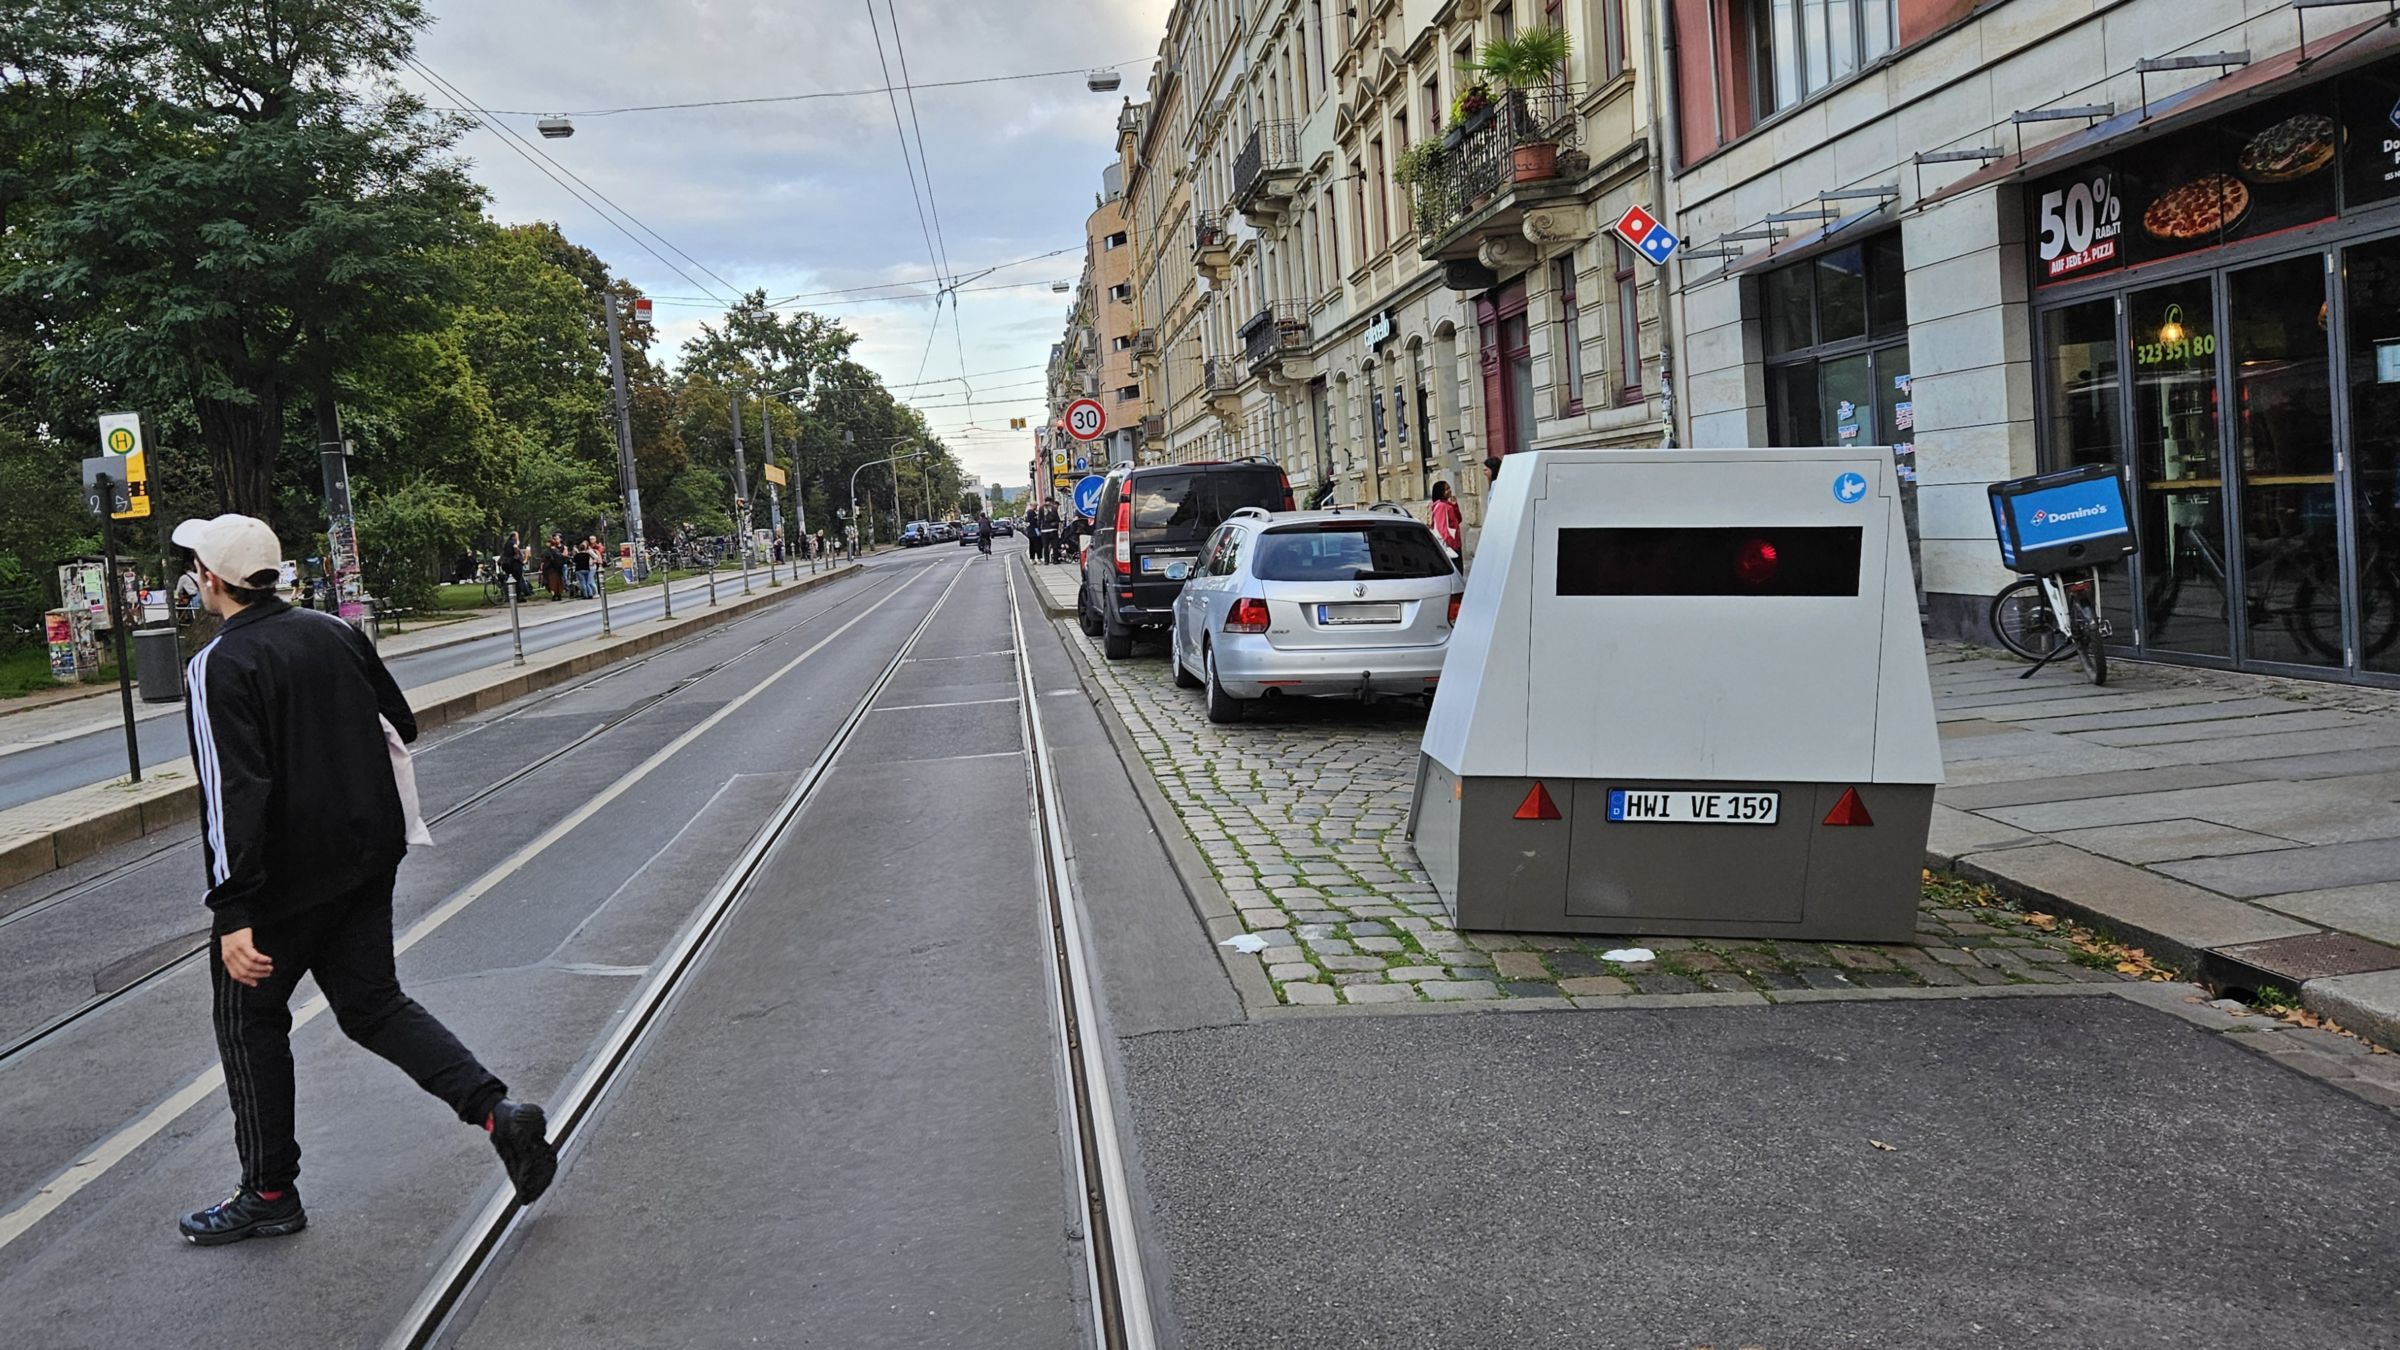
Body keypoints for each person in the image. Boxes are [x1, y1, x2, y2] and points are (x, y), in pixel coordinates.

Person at [169, 513, 556, 1247]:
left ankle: (269, 1191)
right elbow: (400, 724)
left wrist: (234, 910)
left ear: (212, 579)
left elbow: (232, 793)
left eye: (195, 566)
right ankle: (497, 1113)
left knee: (248, 1022)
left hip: (285, 880)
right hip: (366, 857)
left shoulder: (219, 664)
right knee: (372, 1004)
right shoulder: (335, 631)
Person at [1428, 480, 1462, 563]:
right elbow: (1442, 529)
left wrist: (1455, 506)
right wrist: (1452, 545)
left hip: (1455, 544)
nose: (1449, 490)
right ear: (1441, 492)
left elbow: (1459, 520)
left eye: (1449, 488)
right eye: (1446, 489)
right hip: (1451, 546)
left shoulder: (1447, 504)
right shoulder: (1441, 506)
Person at [539, 536, 566, 601]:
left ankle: (554, 595)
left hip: (550, 570)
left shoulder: (547, 552)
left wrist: (542, 568)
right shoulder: (558, 551)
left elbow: (544, 561)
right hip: (558, 570)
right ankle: (558, 594)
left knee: (551, 583)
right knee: (558, 582)